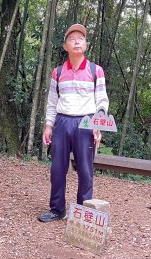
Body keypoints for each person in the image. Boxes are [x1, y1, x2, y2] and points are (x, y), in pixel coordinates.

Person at [38, 23, 109, 223]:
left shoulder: (96, 71)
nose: (77, 41)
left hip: (86, 122)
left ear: (86, 44)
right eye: (72, 39)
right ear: (65, 46)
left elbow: (102, 101)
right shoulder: (58, 72)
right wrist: (48, 125)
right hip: (62, 121)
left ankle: (83, 212)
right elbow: (52, 101)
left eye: (81, 38)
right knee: (57, 168)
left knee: (85, 170)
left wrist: (98, 125)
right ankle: (57, 209)